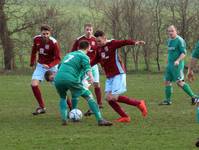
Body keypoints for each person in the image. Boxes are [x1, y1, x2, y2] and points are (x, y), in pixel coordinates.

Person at [48, 40, 112, 126]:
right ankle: (100, 120)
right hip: (70, 78)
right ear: (89, 48)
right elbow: (88, 68)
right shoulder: (84, 57)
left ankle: (64, 119)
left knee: (63, 98)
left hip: (58, 79)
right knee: (89, 96)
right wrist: (92, 78)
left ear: (78, 48)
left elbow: (60, 66)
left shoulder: (69, 55)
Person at [91, 30, 148, 123]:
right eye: (96, 41)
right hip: (109, 77)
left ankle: (138, 103)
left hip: (118, 74)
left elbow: (124, 42)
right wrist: (84, 66)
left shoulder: (112, 44)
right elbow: (94, 60)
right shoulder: (99, 49)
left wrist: (135, 42)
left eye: (99, 41)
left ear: (105, 38)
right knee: (108, 98)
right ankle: (125, 117)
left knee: (113, 97)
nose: (98, 43)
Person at [30, 24, 72, 115]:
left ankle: (71, 108)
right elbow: (34, 50)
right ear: (40, 33)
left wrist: (49, 65)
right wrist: (32, 61)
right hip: (41, 65)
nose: (45, 35)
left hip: (52, 66)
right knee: (34, 84)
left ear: (50, 33)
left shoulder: (54, 43)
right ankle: (42, 107)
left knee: (60, 87)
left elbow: (58, 59)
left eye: (47, 34)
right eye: (43, 33)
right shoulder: (36, 39)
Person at [159, 25, 198, 105]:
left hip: (177, 65)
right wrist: (167, 61)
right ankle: (168, 100)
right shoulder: (169, 41)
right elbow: (170, 53)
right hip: (170, 65)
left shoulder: (180, 40)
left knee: (179, 82)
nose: (170, 33)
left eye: (172, 31)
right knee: (167, 81)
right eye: (169, 31)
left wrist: (177, 60)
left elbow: (184, 53)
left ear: (176, 31)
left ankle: (194, 97)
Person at [70, 24, 103, 109]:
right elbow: (72, 52)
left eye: (90, 30)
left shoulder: (95, 40)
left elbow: (99, 50)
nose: (89, 31)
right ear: (84, 30)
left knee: (96, 83)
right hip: (83, 66)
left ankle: (99, 103)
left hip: (93, 64)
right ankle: (90, 104)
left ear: (92, 30)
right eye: (87, 29)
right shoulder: (79, 40)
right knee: (84, 85)